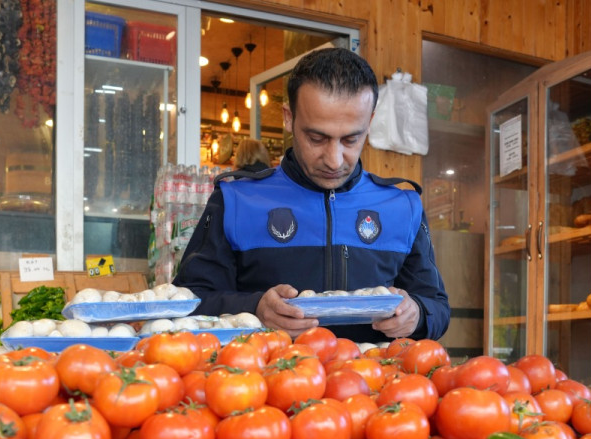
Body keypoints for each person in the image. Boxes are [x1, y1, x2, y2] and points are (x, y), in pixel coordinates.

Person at [174, 47, 449, 342]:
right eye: (317, 138)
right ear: (289, 119)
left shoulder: (402, 206)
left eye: (351, 139)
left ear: (369, 123)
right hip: (265, 381)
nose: (334, 159)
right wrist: (253, 309)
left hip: (374, 383)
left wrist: (417, 314)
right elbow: (187, 303)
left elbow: (437, 307)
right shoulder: (236, 200)